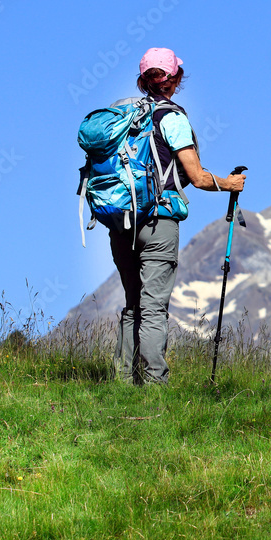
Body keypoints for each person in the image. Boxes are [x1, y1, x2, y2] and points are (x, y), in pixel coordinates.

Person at [111, 47, 245, 385]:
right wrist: (230, 184)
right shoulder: (172, 118)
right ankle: (156, 385)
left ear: (143, 81)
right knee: (153, 307)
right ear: (176, 79)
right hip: (158, 220)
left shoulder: (123, 117)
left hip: (121, 220)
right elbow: (198, 178)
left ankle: (122, 383)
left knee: (132, 306)